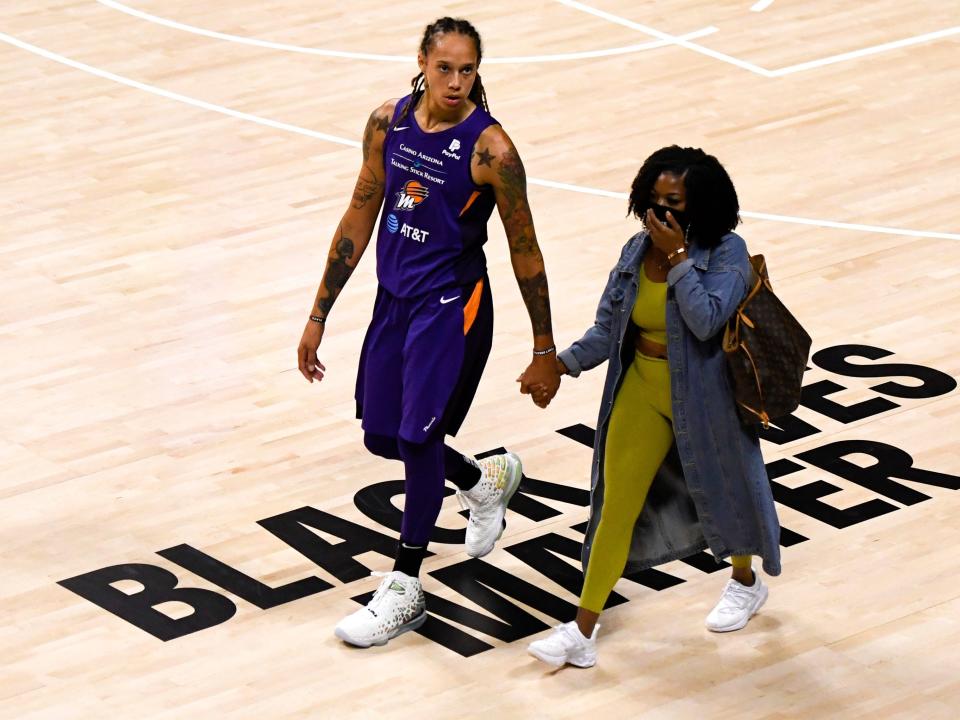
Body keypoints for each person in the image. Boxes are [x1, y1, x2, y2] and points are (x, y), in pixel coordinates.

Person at [297, 16, 561, 649]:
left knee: (418, 438)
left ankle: (405, 586)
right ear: (421, 60)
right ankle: (481, 480)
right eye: (445, 68)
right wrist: (317, 314)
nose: (456, 81)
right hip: (395, 302)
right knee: (384, 438)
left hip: (453, 307)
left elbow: (527, 250)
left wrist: (544, 347)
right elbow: (360, 211)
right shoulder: (388, 123)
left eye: (468, 70)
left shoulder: (491, 151)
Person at [523, 146, 781, 668]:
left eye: (675, 204)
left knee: (726, 494)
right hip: (641, 386)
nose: (661, 215)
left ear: (701, 207)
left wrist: (681, 260)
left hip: (708, 399)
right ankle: (582, 631)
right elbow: (607, 330)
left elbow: (707, 321)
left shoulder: (727, 254)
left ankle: (745, 581)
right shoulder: (634, 251)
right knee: (614, 505)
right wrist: (560, 365)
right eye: (654, 202)